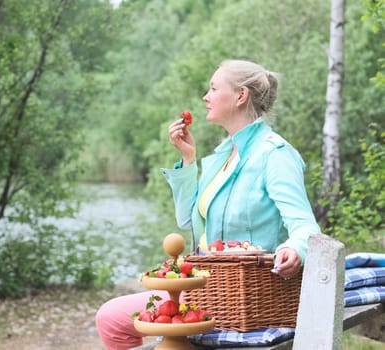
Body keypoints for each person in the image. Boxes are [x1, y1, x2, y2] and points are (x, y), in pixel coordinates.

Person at [95, 59, 320, 350]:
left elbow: (305, 226)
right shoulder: (223, 157)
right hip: (205, 287)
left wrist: (293, 248)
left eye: (214, 88)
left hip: (247, 297)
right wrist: (188, 160)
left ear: (240, 96)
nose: (206, 96)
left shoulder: (275, 155)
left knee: (153, 335)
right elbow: (189, 222)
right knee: (110, 318)